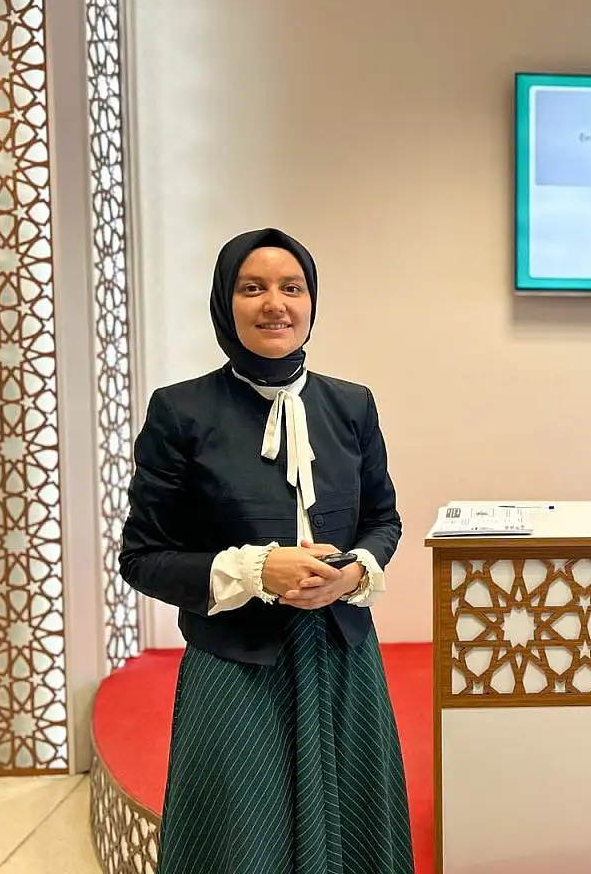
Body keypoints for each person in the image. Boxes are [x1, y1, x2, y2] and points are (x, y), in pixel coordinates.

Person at [119, 227, 415, 874]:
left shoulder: (351, 405)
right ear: (225, 302)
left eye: (292, 287)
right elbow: (143, 557)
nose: (275, 304)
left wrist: (354, 573)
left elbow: (382, 520)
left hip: (343, 656)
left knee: (355, 839)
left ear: (312, 302)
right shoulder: (181, 411)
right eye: (252, 288)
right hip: (235, 663)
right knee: (240, 845)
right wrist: (256, 569)